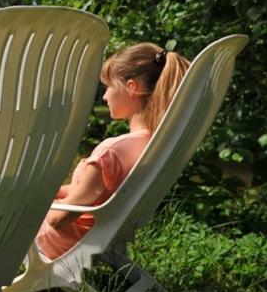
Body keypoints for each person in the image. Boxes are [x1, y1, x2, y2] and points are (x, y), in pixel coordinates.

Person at [36, 43, 190, 260]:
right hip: (104, 239)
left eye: (109, 86)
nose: (105, 96)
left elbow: (58, 220)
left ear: (132, 87)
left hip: (65, 243)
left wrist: (31, 206)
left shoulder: (113, 151)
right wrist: (42, 194)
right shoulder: (154, 147)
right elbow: (94, 193)